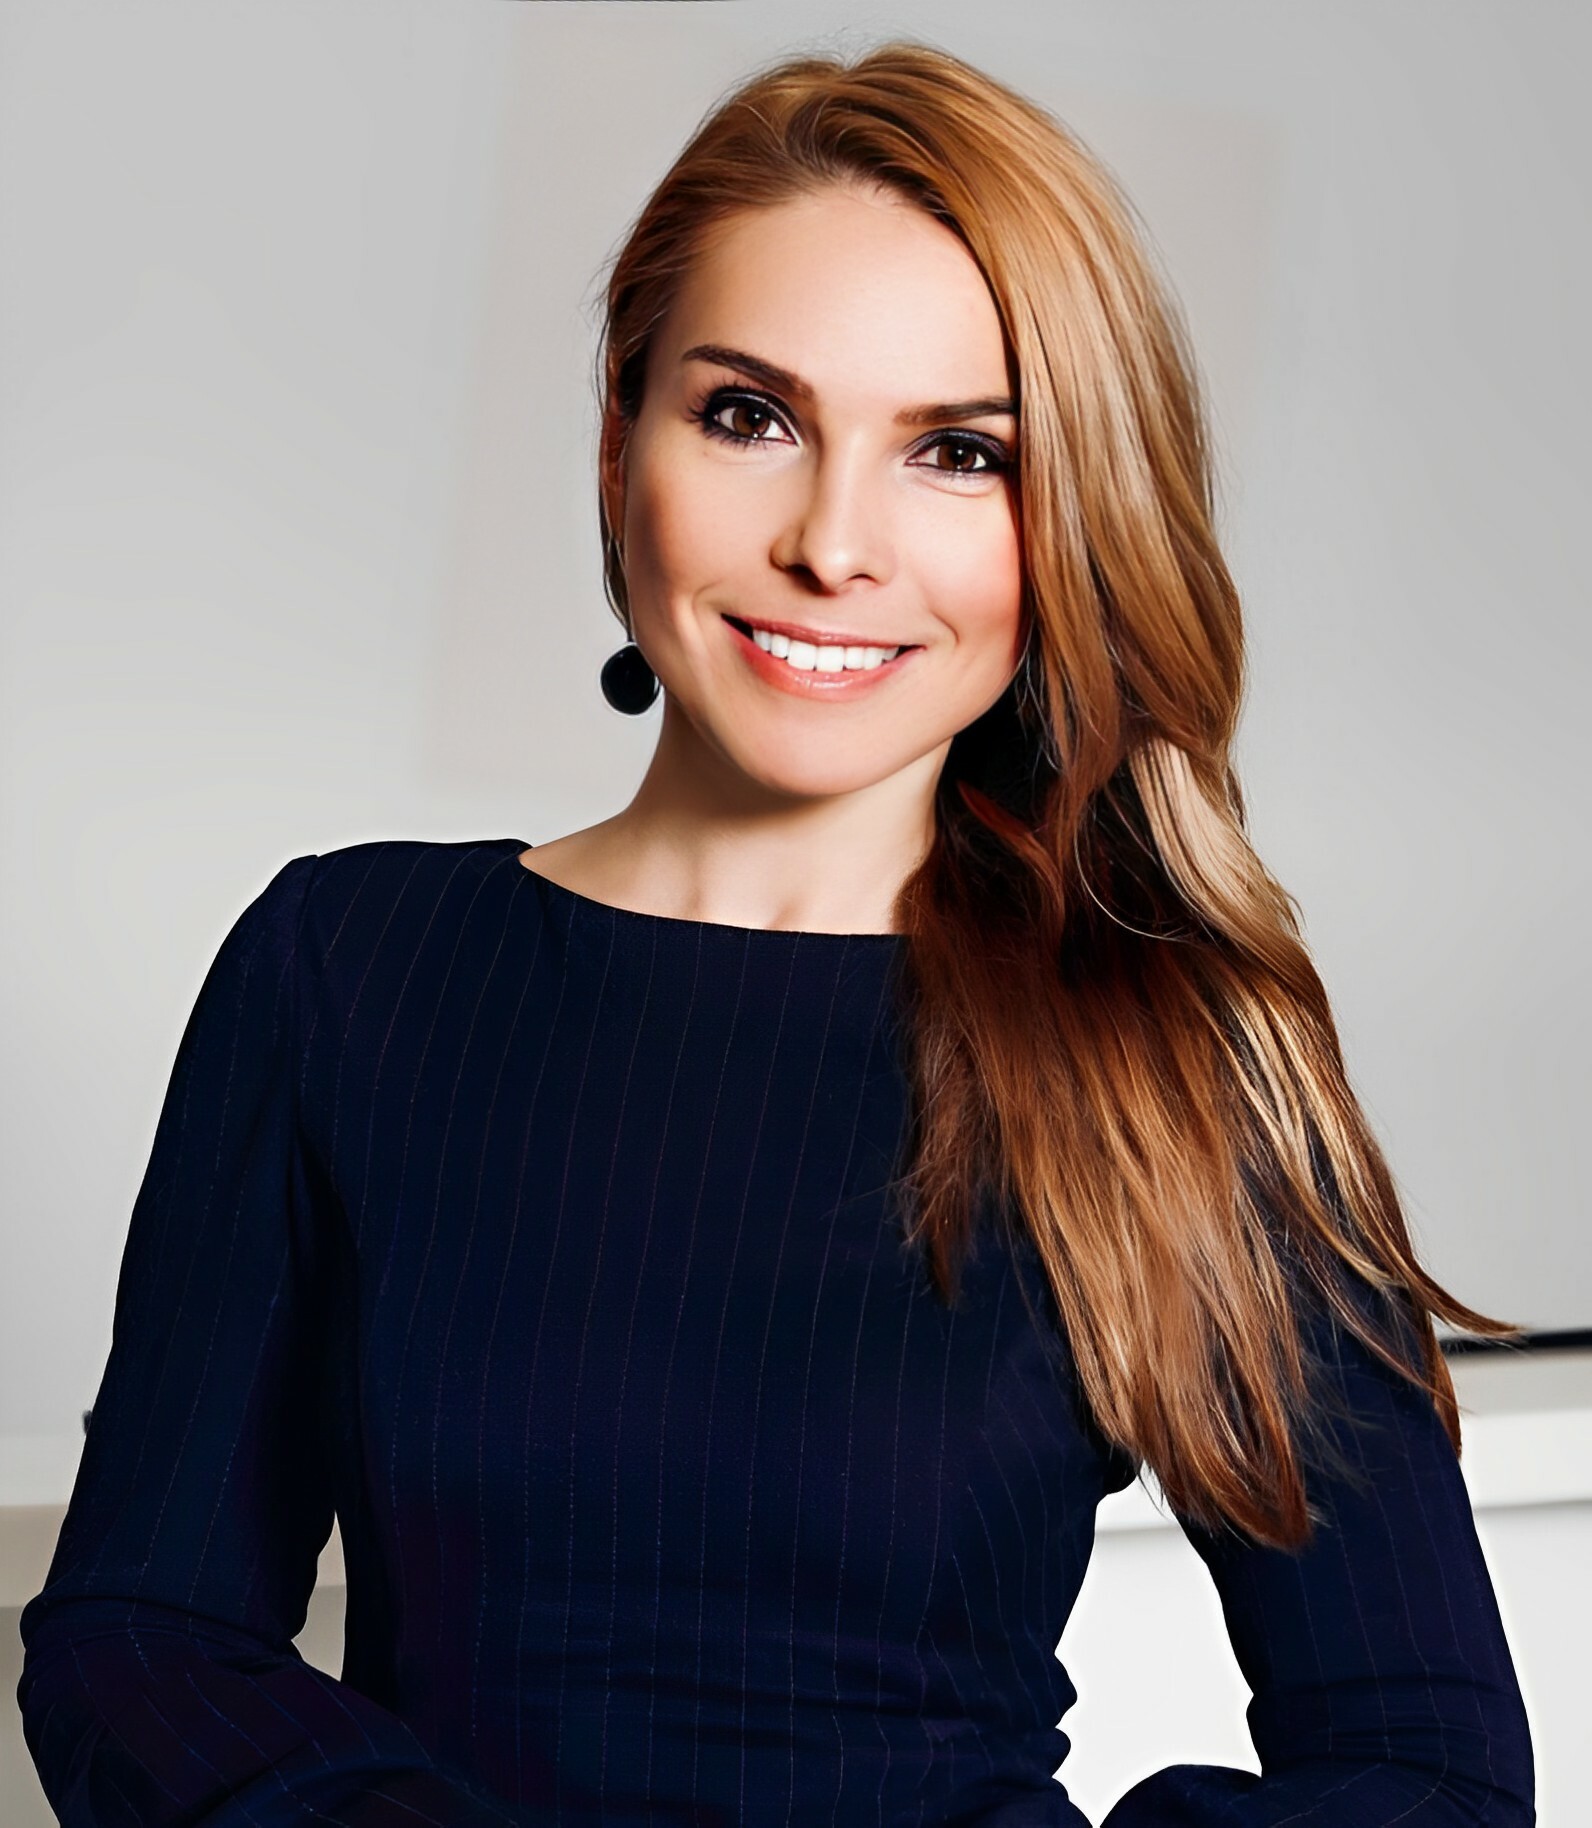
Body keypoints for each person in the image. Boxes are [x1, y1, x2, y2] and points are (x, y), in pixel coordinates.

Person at [17, 39, 1534, 1828]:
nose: (833, 543)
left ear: (1071, 525)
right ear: (620, 443)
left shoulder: (1168, 1053)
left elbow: (1425, 1772)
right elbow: (142, 1637)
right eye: (751, 417)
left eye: (958, 454)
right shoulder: (346, 965)